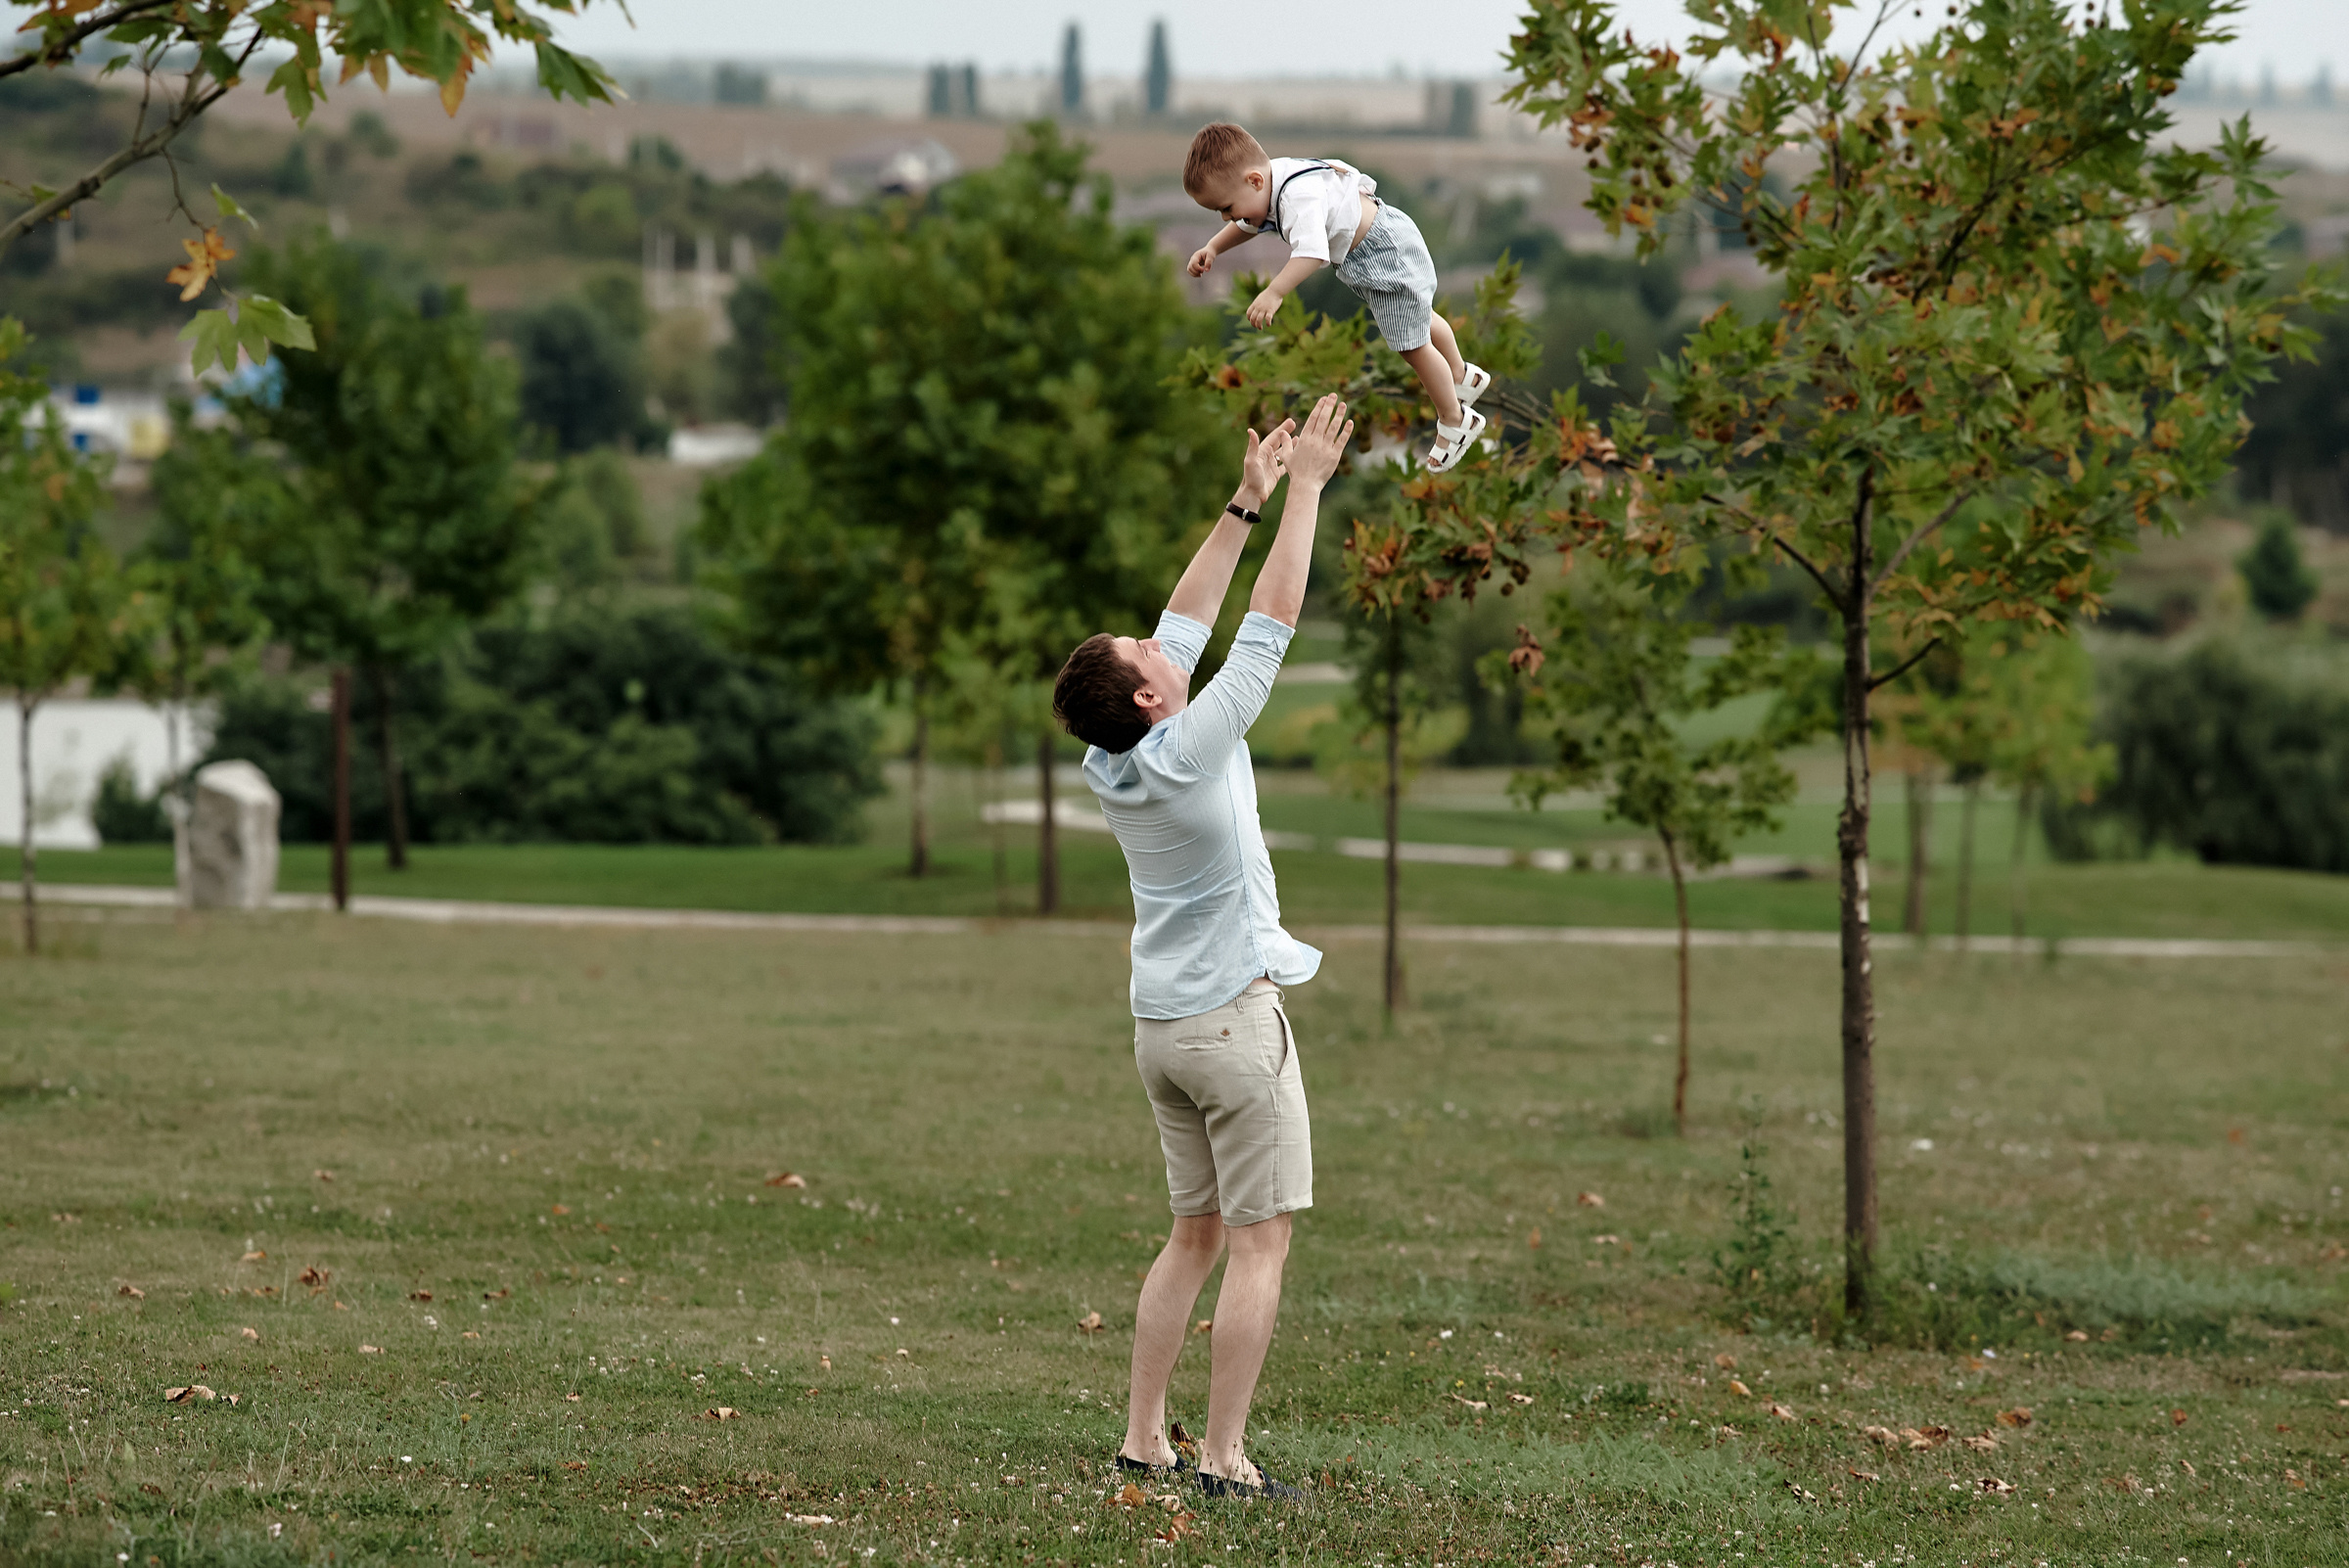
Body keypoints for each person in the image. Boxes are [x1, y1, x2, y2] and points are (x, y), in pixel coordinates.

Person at [1050, 393, 1356, 1502]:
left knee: (1193, 1236)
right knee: (1261, 1244)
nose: (1161, 637)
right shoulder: (1190, 745)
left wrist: (1244, 499)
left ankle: (1143, 1441)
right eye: (1147, 651)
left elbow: (1186, 623)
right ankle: (1223, 1457)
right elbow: (1265, 627)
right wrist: (1309, 491)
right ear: (1148, 695)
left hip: (1160, 1033)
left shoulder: (1116, 756)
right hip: (1232, 1024)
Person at [1181, 121, 1489, 474]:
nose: (1226, 217)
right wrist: (1213, 247)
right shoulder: (1272, 179)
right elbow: (1247, 223)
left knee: (1411, 344)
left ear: (1253, 181)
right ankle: (1462, 376)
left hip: (1380, 253)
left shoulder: (1296, 198)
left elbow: (1313, 254)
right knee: (1420, 315)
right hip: (1386, 236)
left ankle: (1456, 420)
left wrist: (1274, 291)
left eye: (1226, 207)